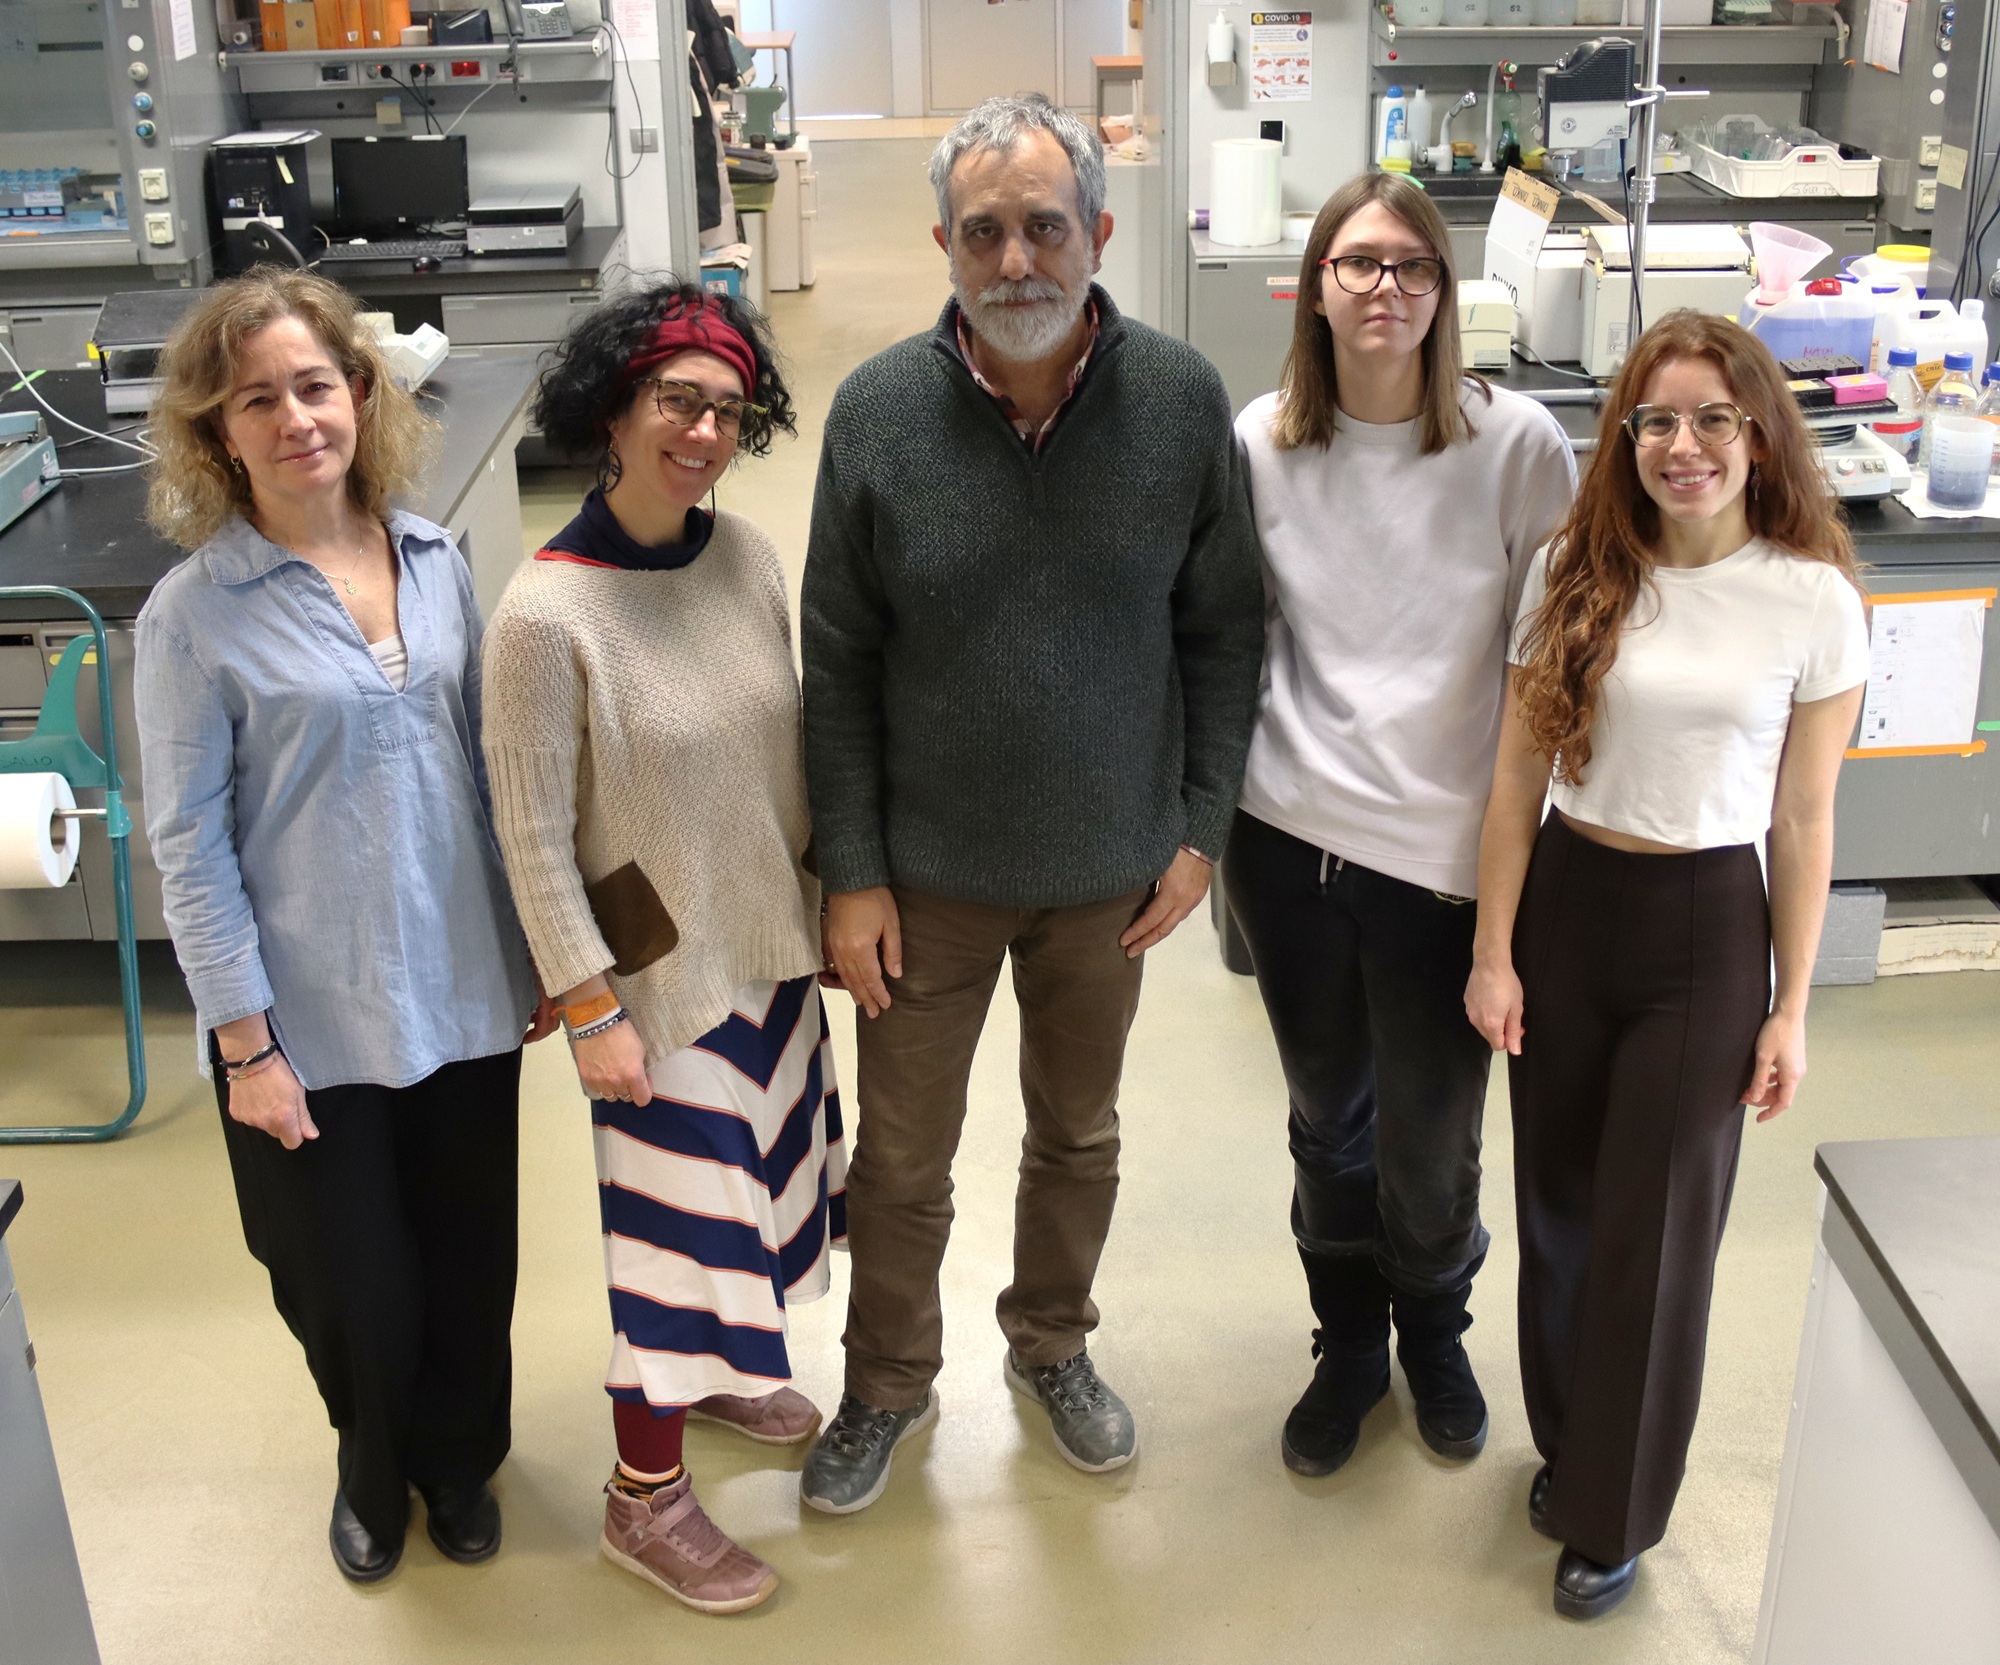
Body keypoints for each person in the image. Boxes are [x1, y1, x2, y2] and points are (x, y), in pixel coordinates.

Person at [798, 92, 1264, 1511]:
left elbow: (1224, 632)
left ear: (1098, 234)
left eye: (1044, 226)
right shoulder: (879, 411)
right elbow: (838, 660)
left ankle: (1052, 1343)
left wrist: (1200, 830)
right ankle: (884, 1380)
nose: (1017, 260)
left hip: (1108, 878)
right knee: (901, 1158)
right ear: (942, 241)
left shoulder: (1178, 402)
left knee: (1079, 1134)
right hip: (927, 881)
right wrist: (854, 869)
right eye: (985, 231)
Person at [134, 268, 548, 1584]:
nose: (296, 417)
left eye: (317, 386)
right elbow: (188, 841)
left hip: (465, 983)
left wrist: (538, 954)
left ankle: (458, 1459)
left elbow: (488, 773)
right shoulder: (195, 615)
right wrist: (246, 1045)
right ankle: (372, 1469)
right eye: (258, 398)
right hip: (304, 1018)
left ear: (363, 396)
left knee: (473, 1259)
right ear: (218, 431)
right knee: (350, 1286)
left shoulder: (434, 560)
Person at [1466, 311, 1870, 1619]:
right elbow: (1519, 772)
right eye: (1657, 420)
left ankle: (1615, 1508)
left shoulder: (1813, 599)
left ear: (1757, 433)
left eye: (1712, 419)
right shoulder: (1576, 570)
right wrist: (1493, 949)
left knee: (1661, 1228)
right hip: (1572, 902)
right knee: (1563, 1205)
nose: (1683, 446)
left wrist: (1792, 1006)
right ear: (1625, 434)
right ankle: (1570, 1439)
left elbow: (1805, 820)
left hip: (1706, 923)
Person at [480, 281, 843, 1616]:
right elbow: (530, 836)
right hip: (654, 981)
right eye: (676, 401)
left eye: (727, 410)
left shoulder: (745, 558)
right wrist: (589, 1007)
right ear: (613, 413)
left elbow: (784, 757)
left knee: (762, 1187)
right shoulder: (544, 617)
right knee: (670, 1242)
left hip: (769, 944)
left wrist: (825, 911)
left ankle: (737, 1359)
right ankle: (645, 1500)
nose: (701, 429)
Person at [1222, 172, 1577, 1480]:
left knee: (1430, 1134)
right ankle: (1349, 1343)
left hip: (1444, 859)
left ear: (1445, 293)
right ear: (1315, 286)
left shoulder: (1519, 444)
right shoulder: (1261, 441)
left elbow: (1545, 678)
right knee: (1330, 1119)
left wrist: (1515, 887)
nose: (1387, 287)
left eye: (1412, 267)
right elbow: (1231, 643)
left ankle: (1434, 1327)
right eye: (1360, 264)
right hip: (1291, 842)